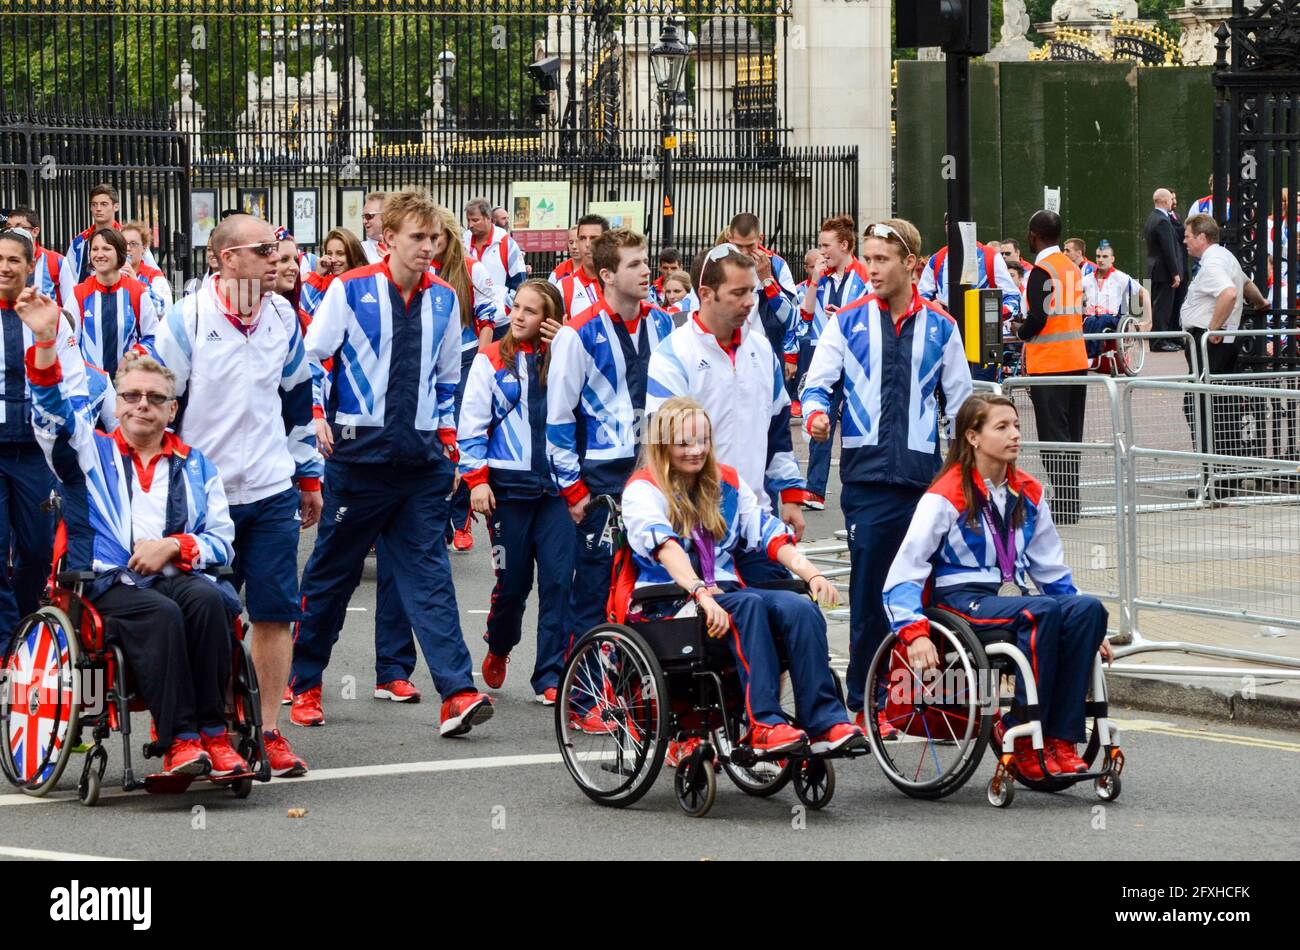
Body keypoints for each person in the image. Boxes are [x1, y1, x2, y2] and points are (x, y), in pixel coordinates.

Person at [292, 190, 494, 737]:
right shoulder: (351, 289)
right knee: (332, 574)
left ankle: (457, 692)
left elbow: (450, 374)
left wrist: (449, 442)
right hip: (358, 459)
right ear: (389, 240)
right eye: (418, 238)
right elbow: (314, 357)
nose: (429, 247)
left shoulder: (446, 298)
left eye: (435, 238)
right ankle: (304, 680)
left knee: (429, 577)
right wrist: (316, 414)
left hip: (421, 463)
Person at [23, 312, 245, 778]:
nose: (142, 405)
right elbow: (51, 416)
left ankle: (215, 735)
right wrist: (45, 341)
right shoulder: (89, 454)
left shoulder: (197, 465)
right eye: (131, 396)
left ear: (172, 410)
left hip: (179, 576)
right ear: (117, 405)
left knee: (208, 601)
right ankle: (179, 741)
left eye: (155, 398)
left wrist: (174, 546)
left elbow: (222, 542)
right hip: (107, 585)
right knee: (161, 615)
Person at [147, 213, 321, 776]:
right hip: (204, 498)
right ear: (227, 259)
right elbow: (157, 406)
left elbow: (296, 400)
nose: (278, 257)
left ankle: (268, 729)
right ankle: (204, 721)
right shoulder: (186, 319)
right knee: (209, 614)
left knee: (274, 614)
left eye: (280, 247)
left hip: (270, 489)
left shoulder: (283, 316)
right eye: (265, 248)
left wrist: (308, 476)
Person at [800, 217, 972, 737]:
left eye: (882, 260)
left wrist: (965, 473)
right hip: (868, 482)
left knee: (928, 593)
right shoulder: (846, 321)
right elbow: (817, 386)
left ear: (910, 264)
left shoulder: (941, 325)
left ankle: (922, 701)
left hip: (925, 483)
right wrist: (816, 416)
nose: (871, 269)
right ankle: (863, 700)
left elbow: (962, 406)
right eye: (868, 258)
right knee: (873, 593)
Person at [882, 393, 1113, 780]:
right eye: (1002, 427)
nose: (1015, 435)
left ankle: (1058, 738)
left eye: (1017, 426)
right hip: (962, 601)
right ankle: (1022, 729)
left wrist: (1086, 627)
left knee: (1089, 609)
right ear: (973, 437)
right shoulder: (944, 495)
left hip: (1012, 596)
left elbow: (1051, 571)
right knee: (1040, 612)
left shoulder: (1029, 491)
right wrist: (912, 631)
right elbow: (906, 570)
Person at [621, 397, 864, 756]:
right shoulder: (644, 488)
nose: (696, 450)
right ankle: (763, 724)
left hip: (727, 593)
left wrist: (812, 574)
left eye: (702, 440)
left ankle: (824, 723)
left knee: (798, 606)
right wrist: (701, 593)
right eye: (684, 443)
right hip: (670, 599)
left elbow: (768, 534)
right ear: (662, 445)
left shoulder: (727, 482)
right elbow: (666, 548)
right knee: (749, 604)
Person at [547, 228, 674, 662]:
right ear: (606, 274)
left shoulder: (662, 323)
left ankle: (636, 690)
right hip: (602, 477)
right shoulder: (577, 333)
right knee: (594, 587)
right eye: (634, 264)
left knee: (655, 583)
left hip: (657, 472)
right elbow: (559, 419)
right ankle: (583, 695)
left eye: (646, 261)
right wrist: (573, 490)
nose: (647, 271)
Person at [646, 244, 806, 585]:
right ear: (705, 293)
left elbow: (778, 428)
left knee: (790, 614)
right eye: (739, 292)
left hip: (754, 522)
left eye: (752, 290)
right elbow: (662, 445)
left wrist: (790, 494)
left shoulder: (762, 350)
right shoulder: (672, 353)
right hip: (696, 529)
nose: (750, 301)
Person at [461, 280, 572, 705]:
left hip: (558, 490)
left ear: (550, 319)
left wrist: (566, 347)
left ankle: (550, 674)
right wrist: (477, 480)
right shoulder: (491, 359)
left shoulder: (568, 356)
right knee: (512, 583)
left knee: (560, 582)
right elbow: (471, 422)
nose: (519, 315)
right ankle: (500, 644)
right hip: (507, 491)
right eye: (517, 307)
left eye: (531, 310)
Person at [0, 229, 90, 639]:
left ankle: (25, 627)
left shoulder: (47, 315)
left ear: (30, 265)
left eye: (13, 260)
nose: (4, 267)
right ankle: (4, 645)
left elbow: (75, 384)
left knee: (36, 551)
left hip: (38, 454)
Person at [798, 215, 873, 511]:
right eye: (820, 245)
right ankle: (815, 489)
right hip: (828, 357)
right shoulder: (823, 278)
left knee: (859, 421)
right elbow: (804, 317)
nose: (822, 251)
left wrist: (845, 317)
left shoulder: (866, 275)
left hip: (857, 358)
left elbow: (873, 313)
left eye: (826, 245)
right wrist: (815, 281)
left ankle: (860, 485)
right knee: (821, 417)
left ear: (844, 245)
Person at [1019, 209, 1088, 526]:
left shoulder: (1041, 271)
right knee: (1072, 435)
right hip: (1076, 360)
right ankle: (1071, 501)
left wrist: (1019, 331)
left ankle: (1064, 503)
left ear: (1034, 235)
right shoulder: (1071, 267)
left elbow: (1038, 319)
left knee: (1053, 437)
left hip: (1049, 364)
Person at [1179, 214, 1270, 455]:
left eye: (1188, 237)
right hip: (1223, 342)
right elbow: (1246, 285)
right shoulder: (1225, 257)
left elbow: (1229, 293)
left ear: (1201, 237)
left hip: (1209, 342)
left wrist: (1212, 329)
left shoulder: (1212, 263)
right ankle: (1226, 470)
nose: (1184, 241)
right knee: (1222, 404)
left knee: (1199, 403)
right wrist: (1261, 303)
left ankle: (1214, 474)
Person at [71, 228, 161, 382]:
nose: (99, 255)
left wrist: (133, 354)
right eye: (95, 249)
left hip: (129, 384)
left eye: (106, 249)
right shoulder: (78, 293)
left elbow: (154, 337)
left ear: (120, 253)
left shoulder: (136, 291)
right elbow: (69, 342)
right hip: (91, 388)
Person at [725, 212, 800, 369]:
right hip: (726, 355)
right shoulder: (716, 264)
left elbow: (792, 318)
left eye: (750, 246)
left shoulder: (777, 265)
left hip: (766, 355)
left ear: (761, 238)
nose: (744, 253)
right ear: (729, 238)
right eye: (739, 246)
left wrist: (767, 280)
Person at [917, 214, 1023, 321]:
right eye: (949, 223)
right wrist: (932, 307)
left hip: (980, 331)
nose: (955, 228)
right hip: (947, 329)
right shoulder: (936, 260)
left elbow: (1012, 296)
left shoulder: (991, 257)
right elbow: (920, 298)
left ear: (971, 226)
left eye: (960, 223)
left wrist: (990, 314)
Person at [464, 196, 527, 328]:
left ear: (488, 218)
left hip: (499, 322)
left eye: (475, 220)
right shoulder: (463, 240)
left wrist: (504, 310)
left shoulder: (507, 243)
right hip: (469, 321)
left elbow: (520, 283)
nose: (470, 225)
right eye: (468, 220)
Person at [5, 207, 75, 308]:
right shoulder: (2, 261)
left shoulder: (57, 261)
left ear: (35, 231)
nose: (12, 232)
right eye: (9, 228)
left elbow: (70, 304)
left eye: (18, 228)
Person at [1145, 188, 1186, 351]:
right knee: (1162, 308)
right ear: (1164, 201)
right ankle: (1158, 342)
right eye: (1170, 199)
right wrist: (1175, 273)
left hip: (1157, 270)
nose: (1172, 203)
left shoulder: (1152, 218)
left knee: (1161, 307)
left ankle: (1164, 339)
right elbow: (1169, 250)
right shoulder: (1162, 221)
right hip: (1163, 272)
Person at [550, 213, 608, 320]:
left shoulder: (623, 282)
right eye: (582, 238)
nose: (587, 244)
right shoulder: (564, 287)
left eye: (593, 238)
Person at [120, 220, 174, 305]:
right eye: (123, 243)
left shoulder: (154, 276)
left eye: (133, 244)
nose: (127, 248)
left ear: (144, 248)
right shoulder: (111, 274)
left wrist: (136, 284)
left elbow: (163, 307)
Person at [359, 192, 389, 264]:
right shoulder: (359, 250)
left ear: (385, 215)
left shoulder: (403, 246)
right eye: (363, 217)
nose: (364, 221)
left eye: (368, 216)